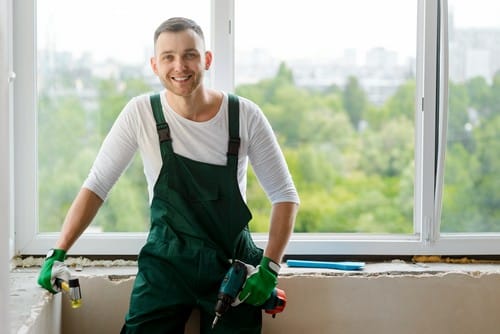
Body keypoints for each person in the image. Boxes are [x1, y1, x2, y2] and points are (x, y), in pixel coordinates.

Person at [37, 17, 299, 333]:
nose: (180, 65)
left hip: (230, 266)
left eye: (190, 54)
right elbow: (97, 184)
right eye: (168, 57)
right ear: (155, 65)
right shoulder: (141, 113)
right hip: (166, 264)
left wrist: (269, 269)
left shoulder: (244, 115)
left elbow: (284, 195)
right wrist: (58, 251)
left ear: (207, 59)